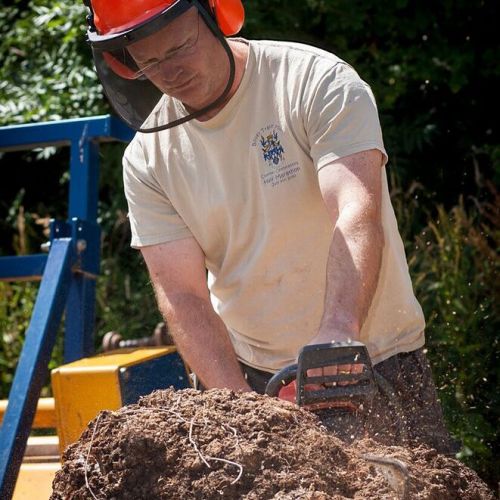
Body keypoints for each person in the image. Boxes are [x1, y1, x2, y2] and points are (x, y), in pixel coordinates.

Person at [84, 0, 458, 454]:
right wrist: (235, 401)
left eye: (181, 46)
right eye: (151, 61)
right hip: (254, 374)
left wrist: (339, 331)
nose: (171, 70)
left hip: (375, 356)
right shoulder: (147, 158)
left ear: (217, 14)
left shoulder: (314, 81)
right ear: (125, 64)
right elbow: (182, 294)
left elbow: (355, 210)